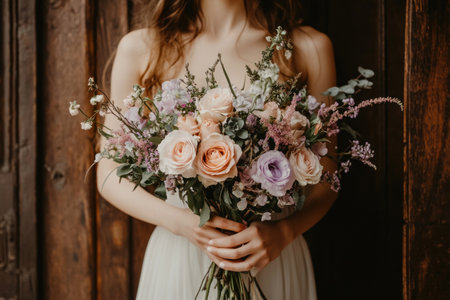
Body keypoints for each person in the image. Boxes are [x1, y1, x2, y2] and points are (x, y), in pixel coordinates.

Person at [97, 0, 338, 299]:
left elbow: (328, 177)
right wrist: (186, 224)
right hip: (181, 253)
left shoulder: (309, 47)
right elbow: (108, 174)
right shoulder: (142, 48)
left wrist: (285, 232)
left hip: (271, 254)